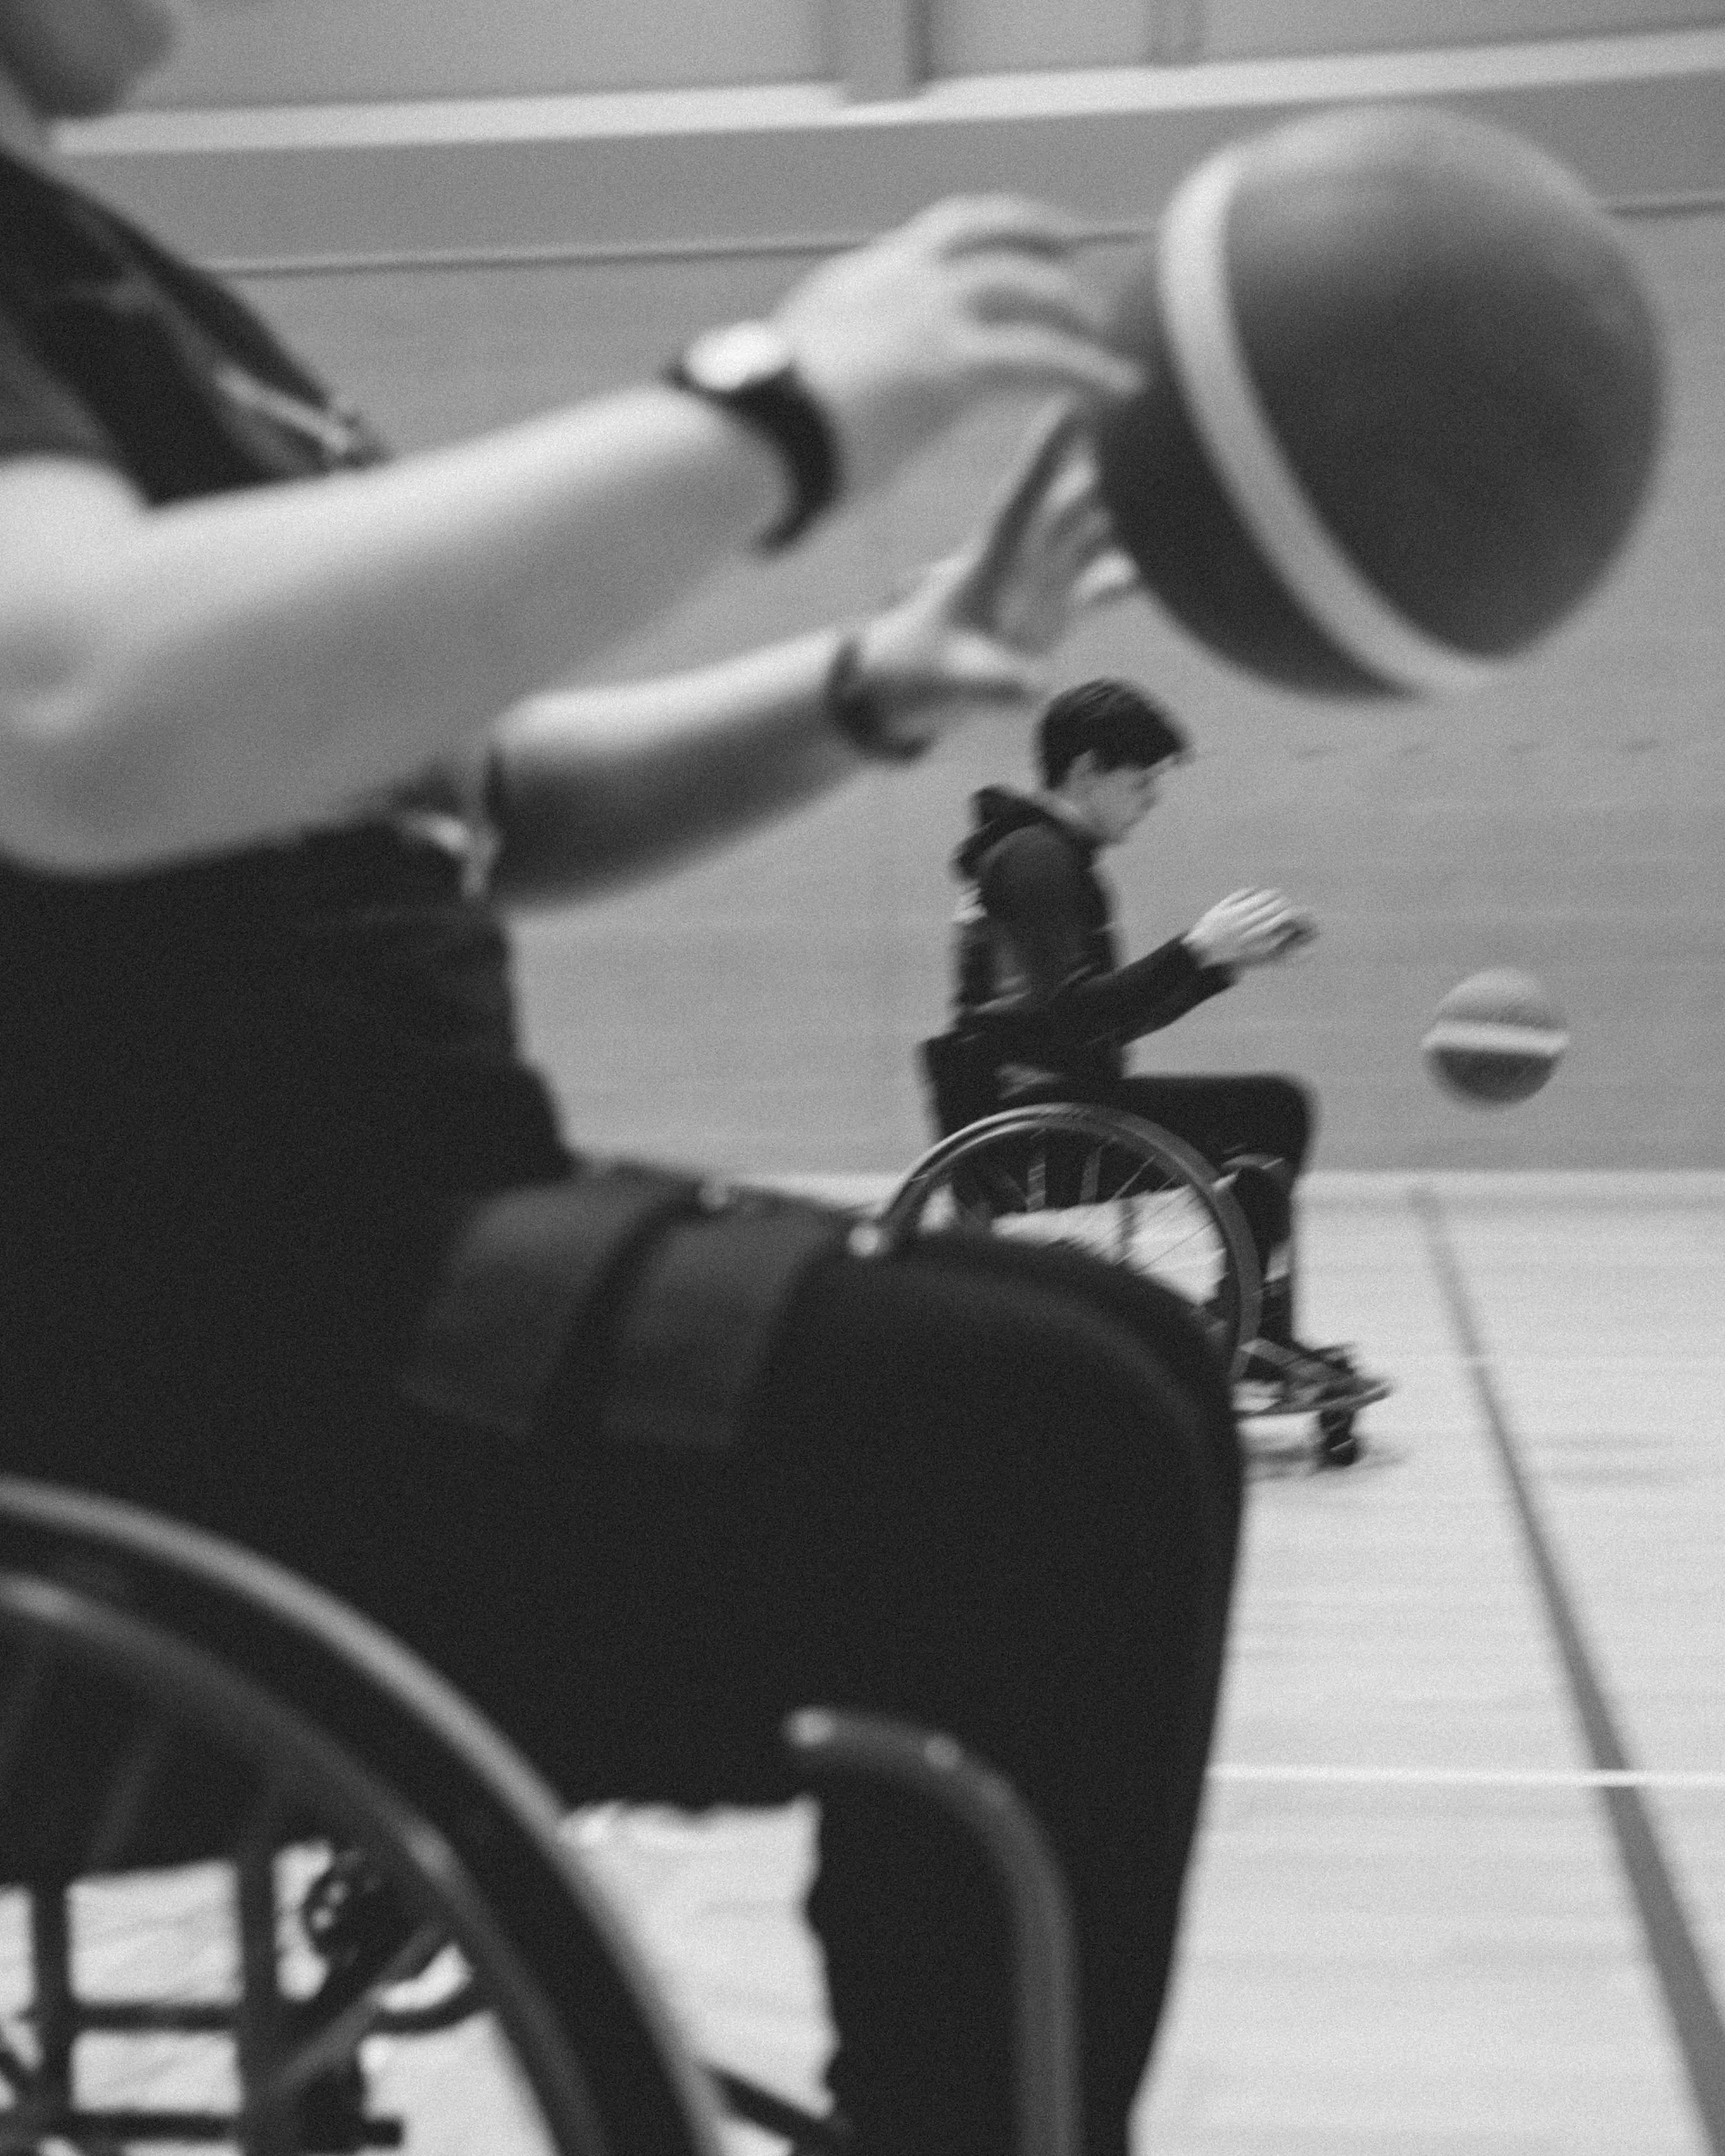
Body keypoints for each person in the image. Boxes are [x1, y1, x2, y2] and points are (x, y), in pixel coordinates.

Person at [0, 7, 1243, 2155]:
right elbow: (81, 706)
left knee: (1120, 1369)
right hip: (153, 1383)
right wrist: (770, 412)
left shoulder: (117, 286)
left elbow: (480, 794)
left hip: (346, 1300)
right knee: (1038, 1454)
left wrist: (861, 681)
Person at [944, 675, 1392, 1411]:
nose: (1153, 795)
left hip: (1037, 1108)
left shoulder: (1039, 853)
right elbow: (1074, 1016)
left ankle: (1249, 1331)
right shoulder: (1035, 858)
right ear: (1086, 768)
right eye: (1141, 777)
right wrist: (1192, 951)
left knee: (1269, 1111)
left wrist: (1216, 963)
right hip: (1030, 1131)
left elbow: (1096, 1019)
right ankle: (1250, 1337)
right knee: (1272, 1112)